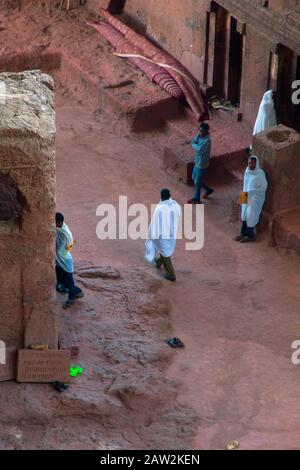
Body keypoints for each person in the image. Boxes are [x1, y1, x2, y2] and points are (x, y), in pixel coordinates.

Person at [145, 189, 181, 282]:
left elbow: (155, 223)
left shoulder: (160, 208)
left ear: (161, 196)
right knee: (164, 249)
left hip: (162, 234)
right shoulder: (176, 205)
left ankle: (171, 274)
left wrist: (152, 234)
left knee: (165, 252)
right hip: (172, 232)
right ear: (169, 195)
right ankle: (158, 261)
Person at [235, 156, 268, 243]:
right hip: (245, 195)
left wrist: (251, 192)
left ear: (256, 164)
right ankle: (243, 233)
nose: (250, 165)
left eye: (252, 163)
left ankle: (250, 236)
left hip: (255, 199)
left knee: (250, 216)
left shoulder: (260, 174)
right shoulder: (247, 171)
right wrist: (243, 197)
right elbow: (245, 184)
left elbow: (263, 188)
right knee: (244, 215)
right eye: (249, 163)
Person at [55, 212, 84, 309]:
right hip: (60, 260)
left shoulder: (65, 234)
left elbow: (61, 250)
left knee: (69, 281)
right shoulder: (61, 227)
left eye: (54, 222)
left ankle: (73, 297)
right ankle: (61, 287)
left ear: (59, 222)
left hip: (65, 260)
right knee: (59, 274)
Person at [188, 122, 214, 204]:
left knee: (197, 180)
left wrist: (193, 144)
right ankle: (208, 190)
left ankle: (197, 197)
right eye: (199, 130)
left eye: (202, 131)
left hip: (202, 163)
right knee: (194, 178)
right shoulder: (199, 136)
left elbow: (199, 150)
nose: (200, 132)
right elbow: (194, 141)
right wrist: (194, 144)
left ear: (206, 131)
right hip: (197, 161)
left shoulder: (207, 141)